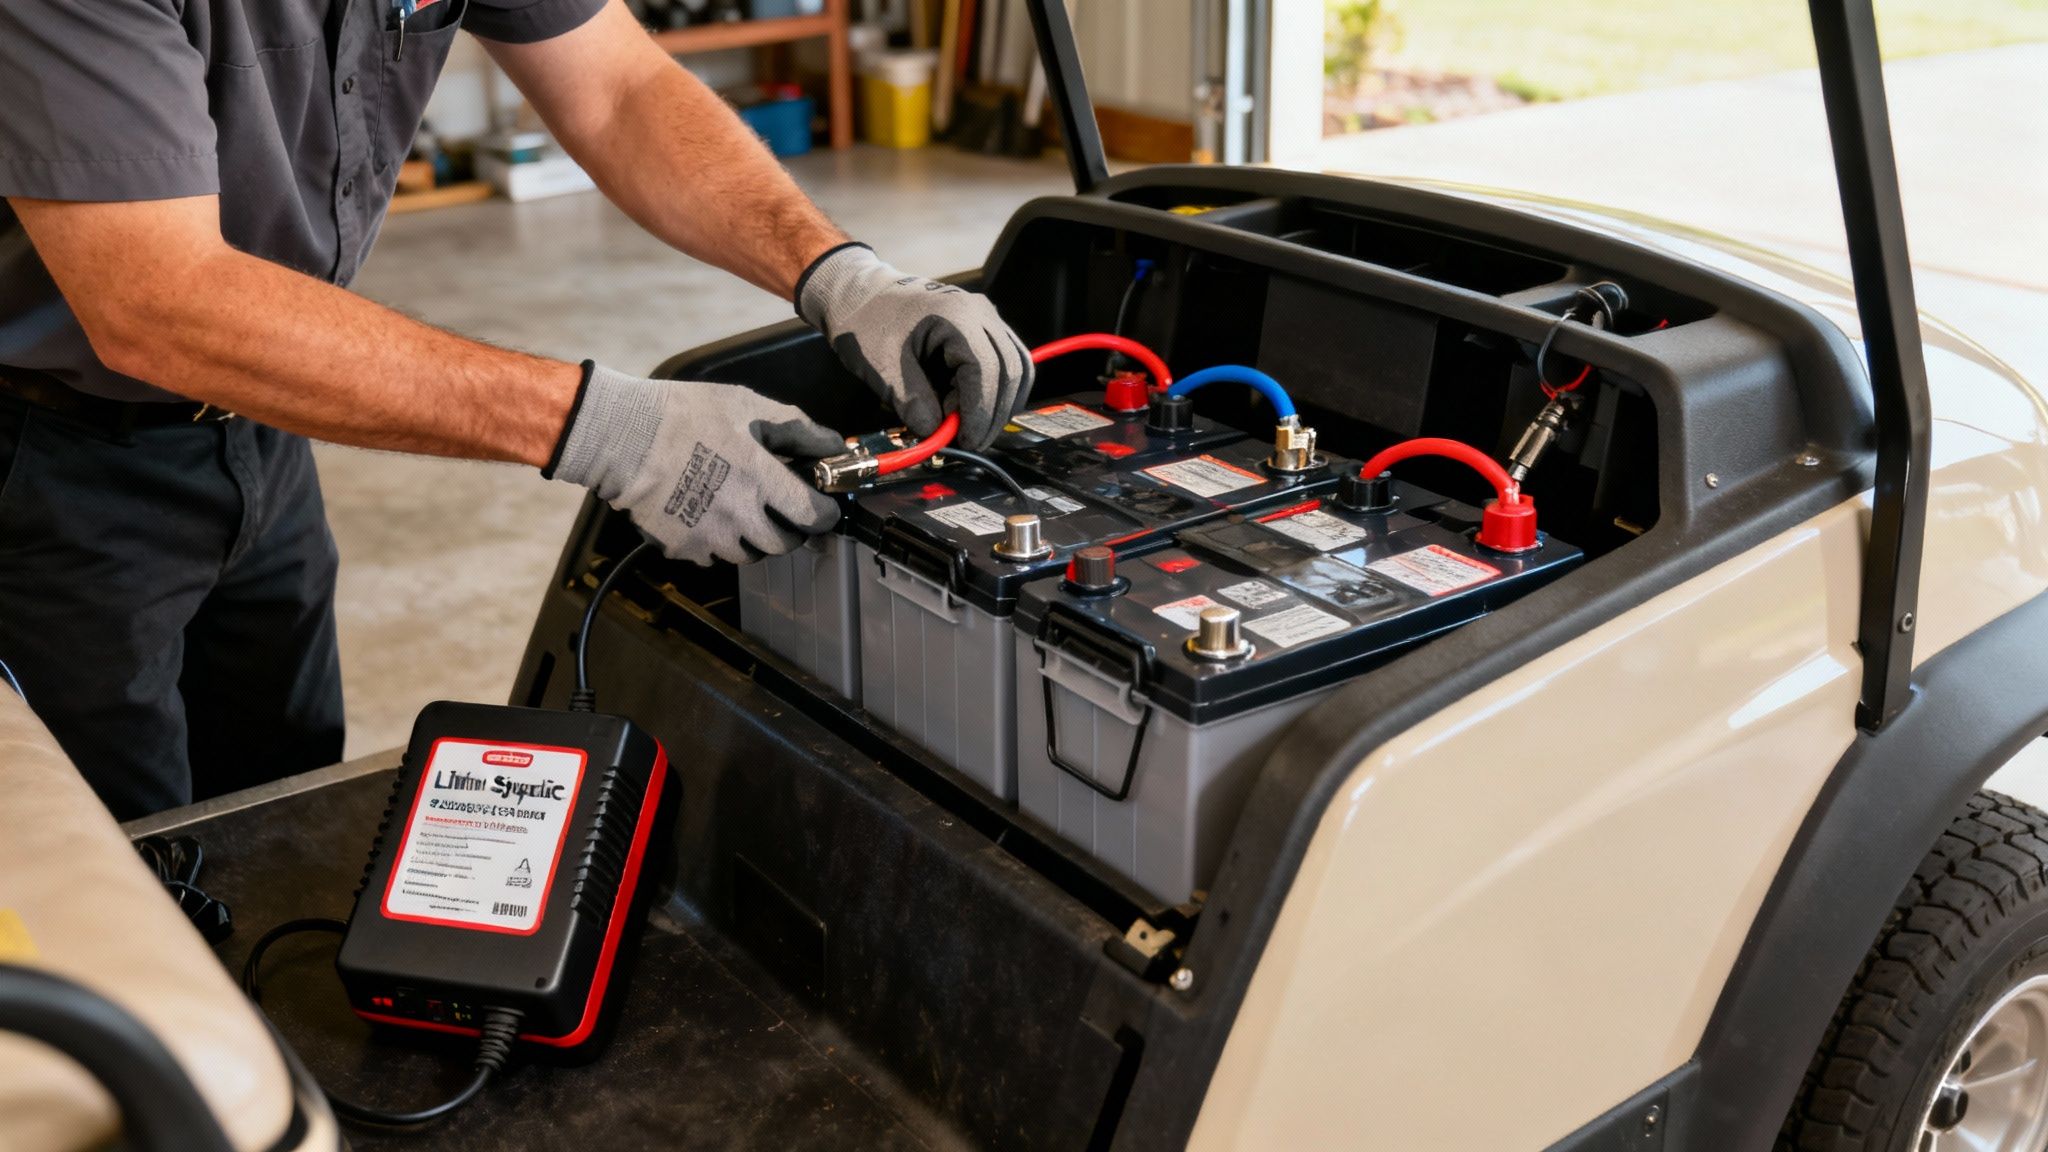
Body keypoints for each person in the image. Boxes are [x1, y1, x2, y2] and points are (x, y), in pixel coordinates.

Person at [0, 0, 1033, 820]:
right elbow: (157, 303)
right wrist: (607, 426)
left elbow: (619, 89)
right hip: (46, 465)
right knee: (108, 867)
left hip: (259, 428)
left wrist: (842, 277)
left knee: (269, 801)